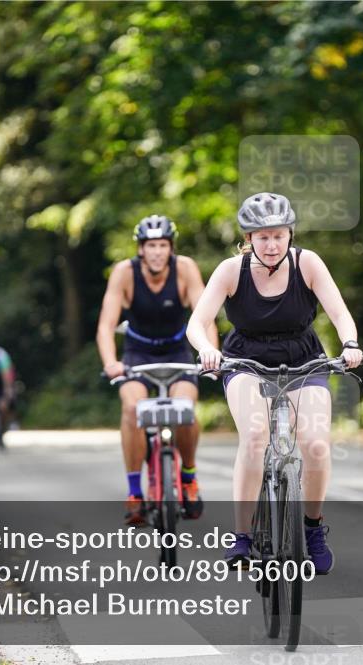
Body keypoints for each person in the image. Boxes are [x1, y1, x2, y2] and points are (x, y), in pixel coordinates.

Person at [186, 192, 363, 574]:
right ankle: (242, 537)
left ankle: (312, 529)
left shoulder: (308, 264)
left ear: (290, 235)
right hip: (245, 360)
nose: (271, 244)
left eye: (278, 235)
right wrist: (206, 350)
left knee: (315, 445)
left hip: (304, 359)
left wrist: (349, 344)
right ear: (248, 238)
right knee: (254, 437)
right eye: (262, 236)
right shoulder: (231, 271)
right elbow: (197, 323)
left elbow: (340, 314)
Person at [96, 215, 218, 525]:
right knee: (132, 409)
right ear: (140, 249)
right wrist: (111, 362)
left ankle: (188, 478)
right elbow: (106, 325)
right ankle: (136, 492)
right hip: (138, 353)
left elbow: (205, 319)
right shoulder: (124, 273)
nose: (157, 252)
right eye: (150, 245)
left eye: (162, 245)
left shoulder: (185, 269)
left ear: (170, 248)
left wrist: (209, 354)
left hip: (177, 351)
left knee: (186, 409)